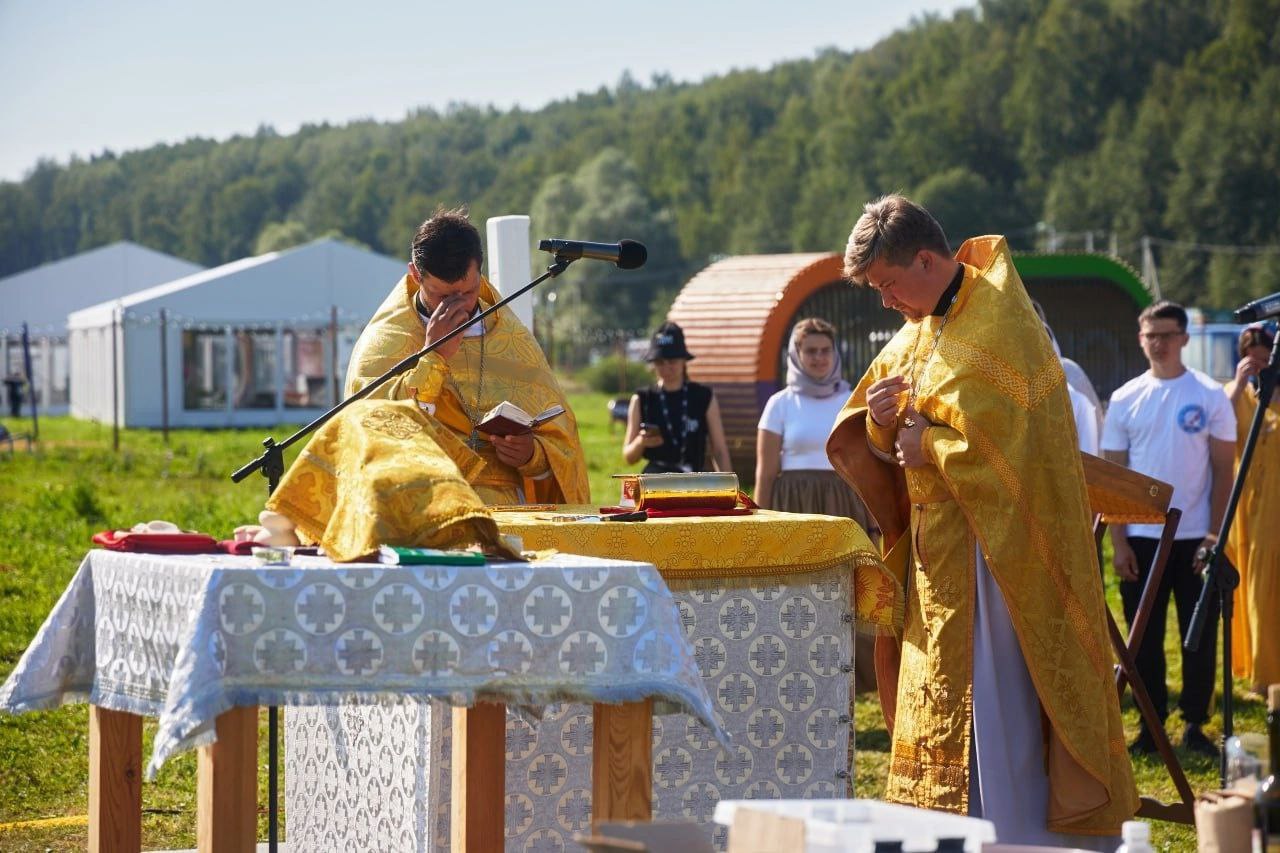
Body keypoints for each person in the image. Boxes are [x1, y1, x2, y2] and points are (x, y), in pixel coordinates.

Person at [827, 194, 1137, 846]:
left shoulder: (1002, 323)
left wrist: (928, 445)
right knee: (939, 702)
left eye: (887, 284)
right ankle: (953, 832)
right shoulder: (917, 330)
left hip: (1000, 562)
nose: (885, 301)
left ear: (925, 258)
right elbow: (882, 443)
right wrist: (884, 426)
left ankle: (1018, 833)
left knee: (1001, 709)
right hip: (937, 559)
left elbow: (1017, 453)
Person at [344, 208, 589, 505]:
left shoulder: (509, 338)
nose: (457, 306)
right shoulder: (387, 341)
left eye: (469, 291)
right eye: (442, 296)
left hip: (508, 509)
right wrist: (433, 357)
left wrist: (531, 455)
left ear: (480, 273)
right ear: (415, 275)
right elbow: (373, 428)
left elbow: (560, 440)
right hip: (423, 500)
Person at [1101, 300, 1235, 759]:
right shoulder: (1124, 398)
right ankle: (1149, 723)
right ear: (1141, 339)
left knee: (1197, 636)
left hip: (1197, 537)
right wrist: (1119, 543)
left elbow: (1223, 470)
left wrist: (1215, 535)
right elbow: (1115, 476)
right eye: (1150, 335)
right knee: (1143, 639)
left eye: (1166, 335)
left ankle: (1196, 724)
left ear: (1184, 338)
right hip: (1141, 538)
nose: (1158, 344)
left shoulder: (1209, 395)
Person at [755, 316, 878, 693]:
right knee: (799, 594)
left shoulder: (851, 400)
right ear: (796, 355)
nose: (819, 358)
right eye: (810, 351)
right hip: (795, 507)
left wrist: (876, 522)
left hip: (844, 504)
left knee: (848, 593)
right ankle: (802, 678)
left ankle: (856, 682)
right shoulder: (779, 404)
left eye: (825, 350)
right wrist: (758, 523)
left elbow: (868, 461)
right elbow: (765, 470)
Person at [1224, 323, 1280, 695]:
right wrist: (1237, 383)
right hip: (1250, 509)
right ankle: (1263, 674)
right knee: (1257, 586)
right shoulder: (1236, 395)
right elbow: (1220, 427)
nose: (1260, 367)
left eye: (1267, 361)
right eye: (1253, 361)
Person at [623, 321, 731, 473]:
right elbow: (628, 457)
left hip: (693, 478)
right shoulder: (642, 399)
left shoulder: (703, 396)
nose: (666, 367)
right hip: (654, 479)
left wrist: (729, 490)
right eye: (660, 362)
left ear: (683, 360)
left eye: (672, 361)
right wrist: (641, 442)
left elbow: (719, 450)